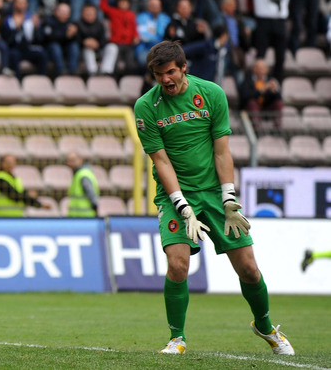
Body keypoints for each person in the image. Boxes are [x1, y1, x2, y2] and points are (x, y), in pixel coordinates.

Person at [133, 40, 294, 356]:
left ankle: (265, 326)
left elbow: (222, 151)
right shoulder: (145, 107)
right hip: (175, 195)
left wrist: (229, 198)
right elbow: (160, 161)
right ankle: (176, 338)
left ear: (183, 68)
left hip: (214, 195)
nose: (165, 80)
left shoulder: (211, 94)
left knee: (248, 269)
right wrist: (181, 204)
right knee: (178, 264)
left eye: (169, 72)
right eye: (157, 75)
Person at [98, 0, 139, 78]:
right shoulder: (113, 12)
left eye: (125, 2)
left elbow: (134, 28)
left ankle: (128, 78)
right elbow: (103, 6)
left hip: (128, 44)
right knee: (116, 62)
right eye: (121, 2)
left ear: (129, 4)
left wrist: (136, 37)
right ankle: (116, 78)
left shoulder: (131, 15)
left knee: (130, 62)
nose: (123, 4)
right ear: (117, 3)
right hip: (116, 43)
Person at [239, 58, 283, 132]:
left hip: (266, 109)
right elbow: (245, 96)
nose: (260, 71)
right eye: (258, 68)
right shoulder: (248, 80)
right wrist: (261, 91)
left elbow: (279, 98)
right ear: (254, 69)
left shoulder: (270, 80)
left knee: (278, 103)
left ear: (267, 70)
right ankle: (257, 129)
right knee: (252, 103)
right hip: (250, 110)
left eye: (263, 69)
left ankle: (277, 129)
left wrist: (275, 91)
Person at [39, 2, 79, 75]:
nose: (65, 14)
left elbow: (78, 40)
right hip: (49, 49)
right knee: (55, 46)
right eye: (62, 12)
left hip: (65, 49)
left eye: (67, 12)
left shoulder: (71, 23)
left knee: (74, 46)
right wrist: (66, 36)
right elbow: (49, 38)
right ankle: (61, 71)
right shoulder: (49, 21)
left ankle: (72, 71)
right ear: (56, 12)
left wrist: (74, 34)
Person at [65, 151, 99, 217]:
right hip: (76, 217)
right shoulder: (78, 174)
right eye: (68, 161)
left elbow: (92, 195)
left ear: (80, 160)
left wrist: (95, 208)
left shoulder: (83, 175)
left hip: (85, 217)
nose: (70, 163)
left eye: (73, 160)